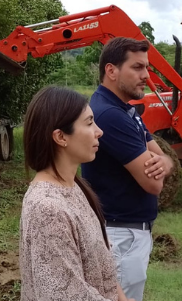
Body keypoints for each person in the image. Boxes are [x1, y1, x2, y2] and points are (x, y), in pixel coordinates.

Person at [81, 37, 175, 301]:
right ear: (111, 71)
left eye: (147, 68)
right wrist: (161, 164)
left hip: (127, 232)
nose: (146, 76)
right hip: (121, 236)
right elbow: (153, 184)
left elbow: (165, 157)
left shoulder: (125, 111)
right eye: (137, 67)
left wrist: (165, 162)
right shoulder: (110, 115)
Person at [19, 85, 132, 301]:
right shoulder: (48, 209)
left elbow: (103, 264)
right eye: (89, 123)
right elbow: (65, 295)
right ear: (61, 137)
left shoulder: (73, 187)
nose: (99, 131)